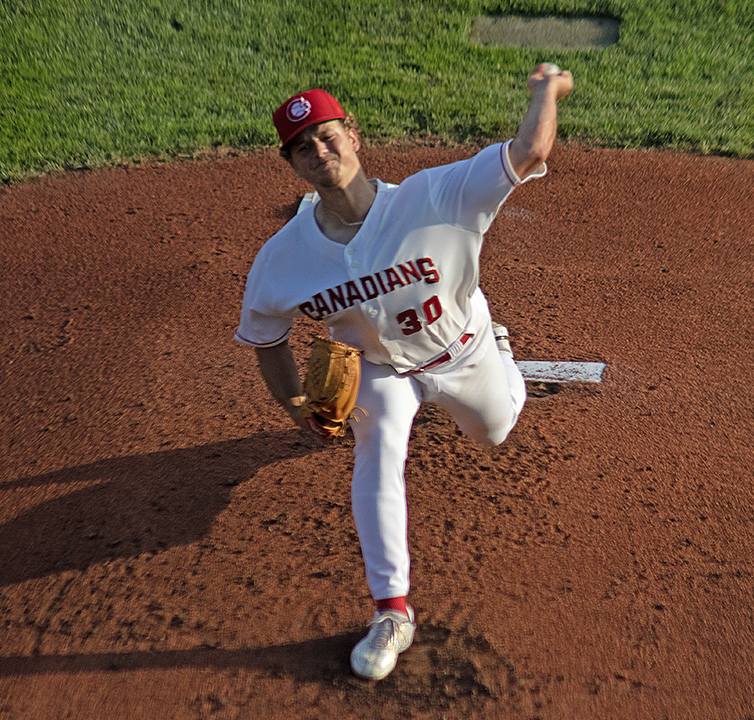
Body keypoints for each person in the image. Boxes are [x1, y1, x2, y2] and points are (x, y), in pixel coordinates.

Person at [234, 64, 574, 680]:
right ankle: (392, 611)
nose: (319, 152)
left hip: (464, 349)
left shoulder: (433, 197)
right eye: (302, 148)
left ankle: (501, 347)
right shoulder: (283, 257)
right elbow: (265, 335)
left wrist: (546, 90)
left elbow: (529, 152)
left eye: (327, 136)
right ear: (292, 164)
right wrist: (296, 405)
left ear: (353, 136)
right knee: (378, 447)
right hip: (380, 369)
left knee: (495, 430)